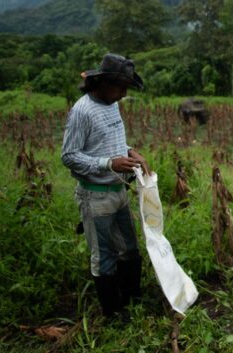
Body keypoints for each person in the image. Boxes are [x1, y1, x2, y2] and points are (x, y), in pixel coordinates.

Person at [62, 53, 150, 318]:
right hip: (96, 196)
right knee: (104, 256)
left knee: (130, 250)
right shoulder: (82, 111)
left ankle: (132, 297)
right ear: (102, 83)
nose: (124, 93)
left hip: (119, 191)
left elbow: (110, 142)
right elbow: (69, 156)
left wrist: (132, 151)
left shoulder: (112, 104)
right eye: (120, 86)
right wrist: (108, 165)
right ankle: (112, 312)